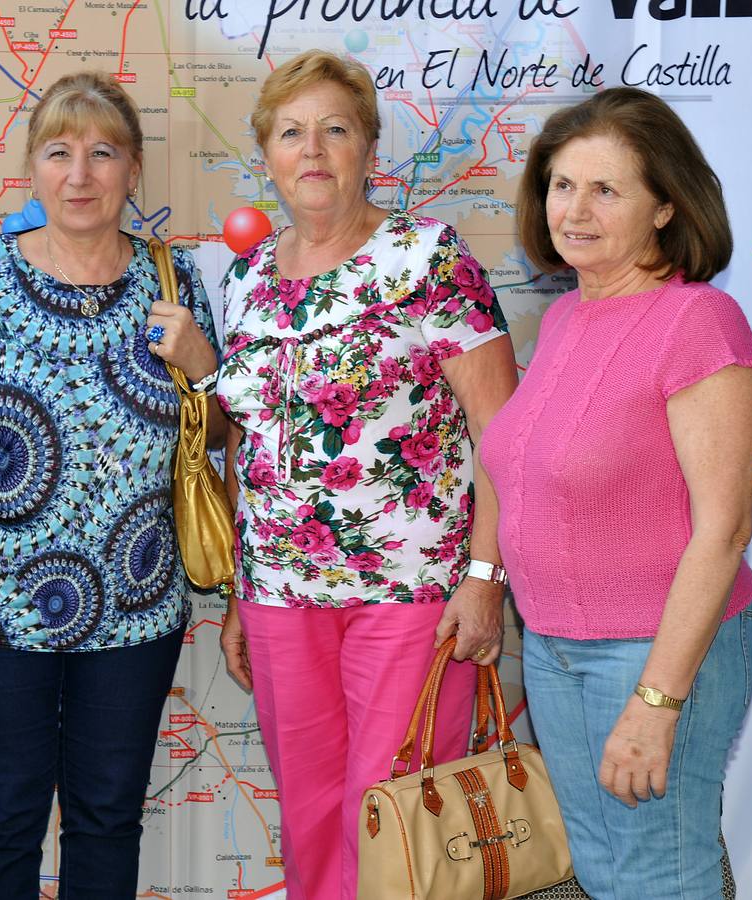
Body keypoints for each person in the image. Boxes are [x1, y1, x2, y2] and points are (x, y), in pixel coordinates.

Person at [0, 71, 223, 899]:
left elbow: (221, 441)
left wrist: (203, 368)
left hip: (135, 603)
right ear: (31, 169)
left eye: (102, 153)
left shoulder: (173, 283)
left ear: (133, 170)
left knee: (107, 818)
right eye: (59, 152)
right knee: (1, 820)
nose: (80, 174)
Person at [215, 50, 517, 900]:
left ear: (368, 149)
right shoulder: (245, 281)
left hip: (414, 593)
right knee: (308, 815)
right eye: (290, 133)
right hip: (279, 595)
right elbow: (246, 439)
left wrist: (485, 577)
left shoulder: (428, 258)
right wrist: (244, 588)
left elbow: (502, 430)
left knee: (394, 824)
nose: (312, 150)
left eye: (334, 130)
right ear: (267, 155)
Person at [480, 87, 752, 898]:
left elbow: (723, 531)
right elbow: (523, 471)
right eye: (562, 185)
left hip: (652, 657)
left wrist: (655, 700)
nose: (574, 209)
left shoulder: (698, 321)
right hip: (555, 651)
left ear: (666, 207)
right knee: (606, 878)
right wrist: (485, 581)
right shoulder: (567, 317)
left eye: (606, 189)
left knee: (659, 880)